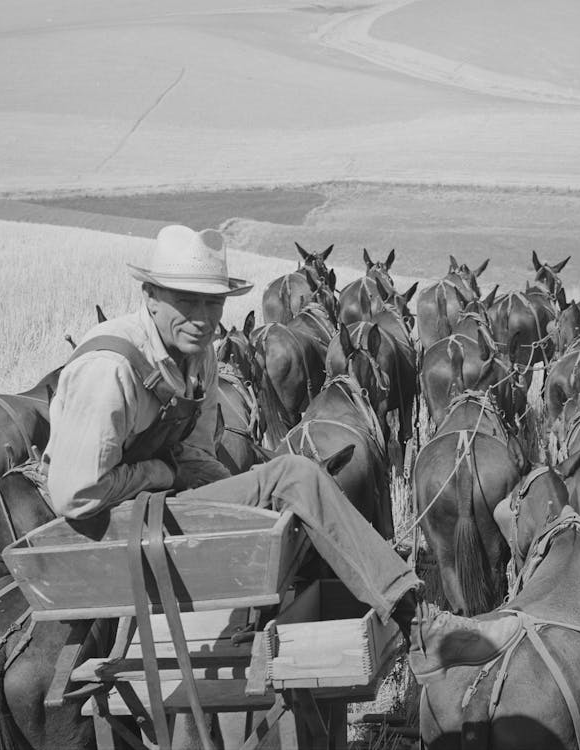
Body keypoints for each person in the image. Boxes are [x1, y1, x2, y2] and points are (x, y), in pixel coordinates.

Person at [42, 224, 520, 681]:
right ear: (150, 297)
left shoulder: (198, 357)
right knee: (295, 475)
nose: (203, 318)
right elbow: (76, 496)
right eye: (186, 300)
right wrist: (160, 473)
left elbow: (190, 455)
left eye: (212, 302)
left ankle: (329, 617)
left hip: (152, 515)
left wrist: (255, 484)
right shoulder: (110, 370)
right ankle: (420, 627)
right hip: (107, 534)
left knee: (289, 482)